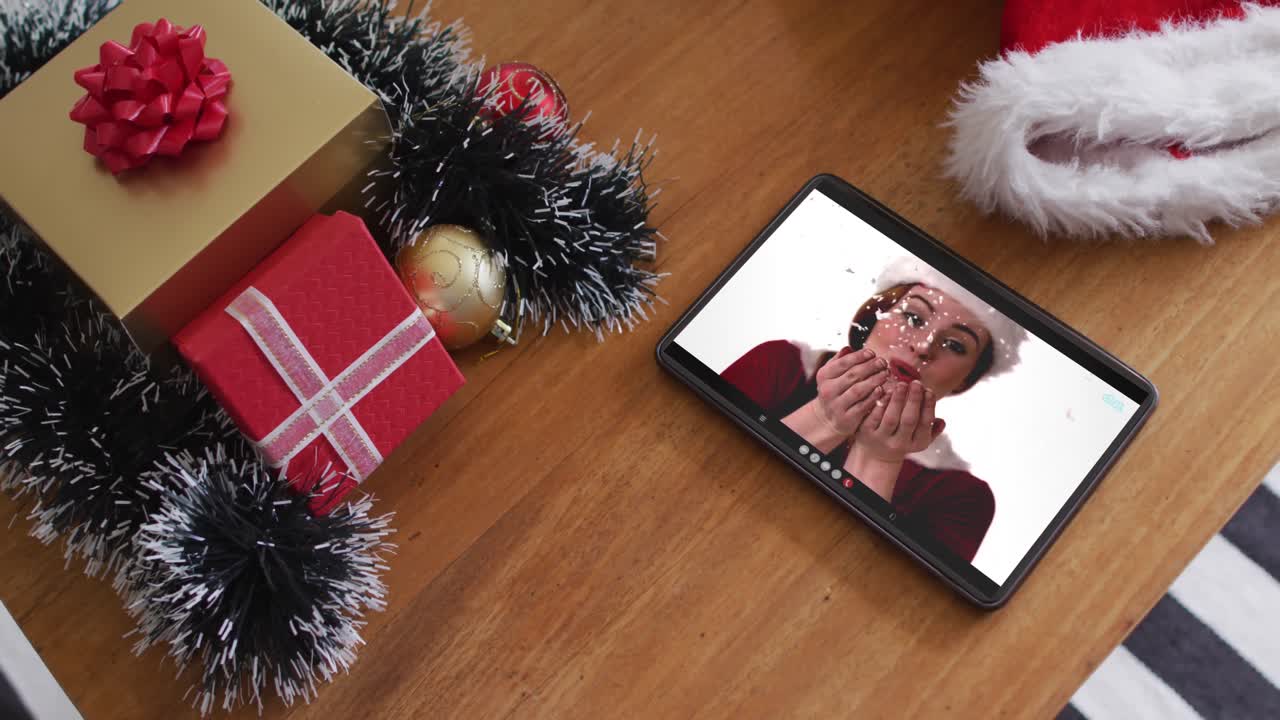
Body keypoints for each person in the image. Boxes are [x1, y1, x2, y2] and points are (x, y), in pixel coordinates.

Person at [721, 257, 1025, 561]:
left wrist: (879, 459)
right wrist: (823, 418)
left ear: (965, 379)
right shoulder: (779, 365)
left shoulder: (961, 498)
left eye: (956, 345)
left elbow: (858, 580)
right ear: (873, 318)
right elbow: (710, 469)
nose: (922, 346)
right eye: (914, 318)